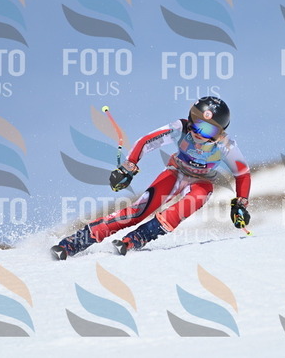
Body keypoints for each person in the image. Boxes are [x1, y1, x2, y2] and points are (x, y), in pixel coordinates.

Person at [51, 96, 251, 260]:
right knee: (137, 212)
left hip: (202, 182)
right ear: (190, 117)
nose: (199, 133)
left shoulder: (225, 146)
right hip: (175, 173)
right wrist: (129, 166)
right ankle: (75, 242)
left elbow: (242, 173)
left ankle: (136, 239)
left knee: (181, 209)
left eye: (208, 130)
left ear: (220, 133)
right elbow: (146, 141)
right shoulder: (180, 128)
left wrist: (240, 203)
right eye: (197, 123)